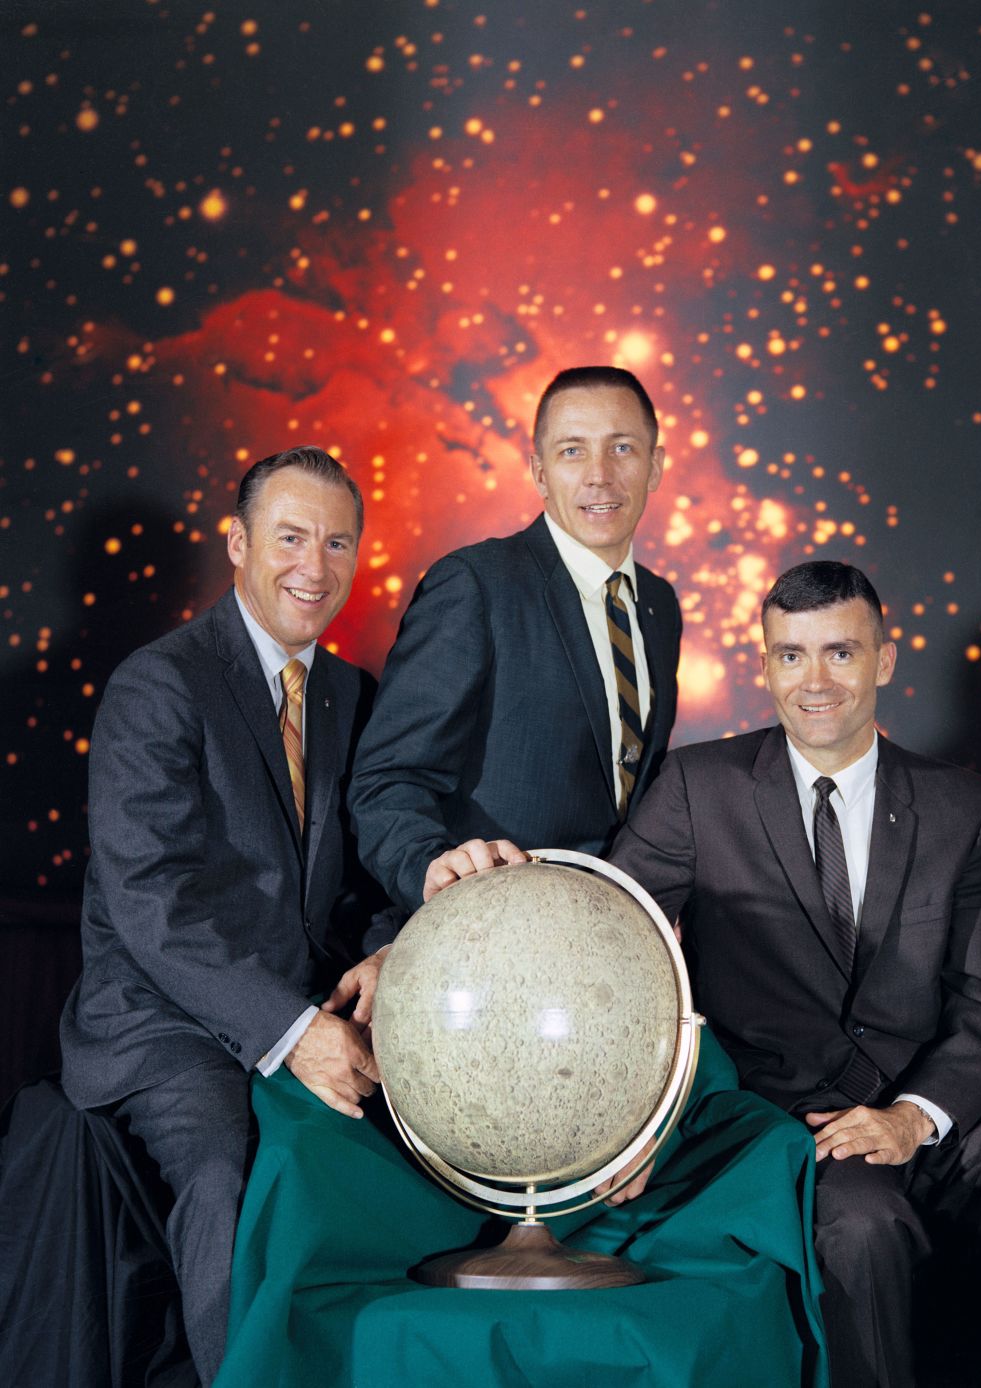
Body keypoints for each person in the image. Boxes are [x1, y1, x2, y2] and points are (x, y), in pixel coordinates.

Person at [604, 559, 981, 1387]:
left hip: (956, 1097)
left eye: (840, 652)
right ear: (764, 664)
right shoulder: (700, 788)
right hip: (801, 1112)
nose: (815, 680)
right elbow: (610, 944)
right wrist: (624, 1119)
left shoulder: (962, 804)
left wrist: (916, 1116)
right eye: (790, 655)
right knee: (861, 1233)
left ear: (884, 658)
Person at [59, 447, 390, 1386]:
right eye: (289, 538)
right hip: (161, 1019)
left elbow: (366, 878)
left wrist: (383, 957)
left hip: (306, 1000)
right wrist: (293, 1033)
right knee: (230, 1171)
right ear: (238, 543)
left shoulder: (352, 696)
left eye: (336, 544)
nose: (313, 568)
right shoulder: (158, 685)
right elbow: (152, 903)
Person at [348, 365, 682, 911]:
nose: (599, 475)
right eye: (572, 451)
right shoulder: (476, 584)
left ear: (656, 466)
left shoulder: (659, 605)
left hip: (603, 940)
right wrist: (433, 875)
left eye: (621, 448)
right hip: (483, 930)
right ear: (539, 472)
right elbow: (388, 780)